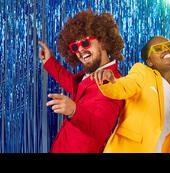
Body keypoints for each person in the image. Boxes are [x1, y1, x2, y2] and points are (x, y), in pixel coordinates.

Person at [38, 9, 125, 153]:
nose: (80, 50)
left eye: (85, 43)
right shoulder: (89, 75)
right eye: (74, 46)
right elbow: (71, 83)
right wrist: (49, 61)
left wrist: (74, 110)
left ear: (103, 41)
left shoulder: (113, 81)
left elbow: (102, 129)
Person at [91, 36, 170, 153]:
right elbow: (123, 86)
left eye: (169, 45)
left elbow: (160, 134)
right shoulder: (143, 73)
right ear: (149, 61)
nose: (166, 50)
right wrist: (108, 80)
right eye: (158, 49)